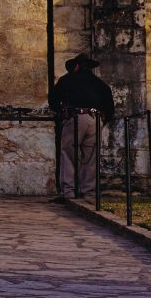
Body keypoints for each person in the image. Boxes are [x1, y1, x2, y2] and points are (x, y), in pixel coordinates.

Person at [49, 54, 115, 198]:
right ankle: (89, 193)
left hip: (75, 117)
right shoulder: (100, 84)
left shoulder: (67, 80)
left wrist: (62, 112)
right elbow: (110, 110)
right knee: (90, 158)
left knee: (68, 155)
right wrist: (102, 121)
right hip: (95, 119)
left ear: (77, 66)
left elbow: (53, 101)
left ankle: (69, 192)